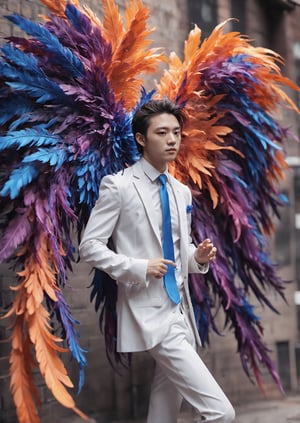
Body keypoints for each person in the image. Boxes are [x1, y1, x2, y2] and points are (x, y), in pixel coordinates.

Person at [79, 98, 235, 423]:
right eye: (162, 132)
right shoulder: (119, 186)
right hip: (150, 315)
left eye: (176, 132)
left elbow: (180, 252)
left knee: (162, 415)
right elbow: (90, 247)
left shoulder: (181, 192)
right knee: (221, 413)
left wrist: (198, 257)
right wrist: (139, 267)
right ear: (141, 138)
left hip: (181, 314)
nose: (172, 140)